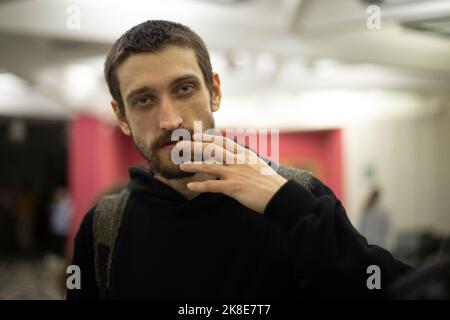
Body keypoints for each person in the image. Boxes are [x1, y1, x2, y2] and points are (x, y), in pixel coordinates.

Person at [67, 20, 411, 300]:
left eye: (184, 88)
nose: (169, 120)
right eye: (144, 100)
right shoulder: (103, 226)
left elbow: (396, 289)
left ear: (214, 91)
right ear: (122, 116)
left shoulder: (296, 194)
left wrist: (287, 204)